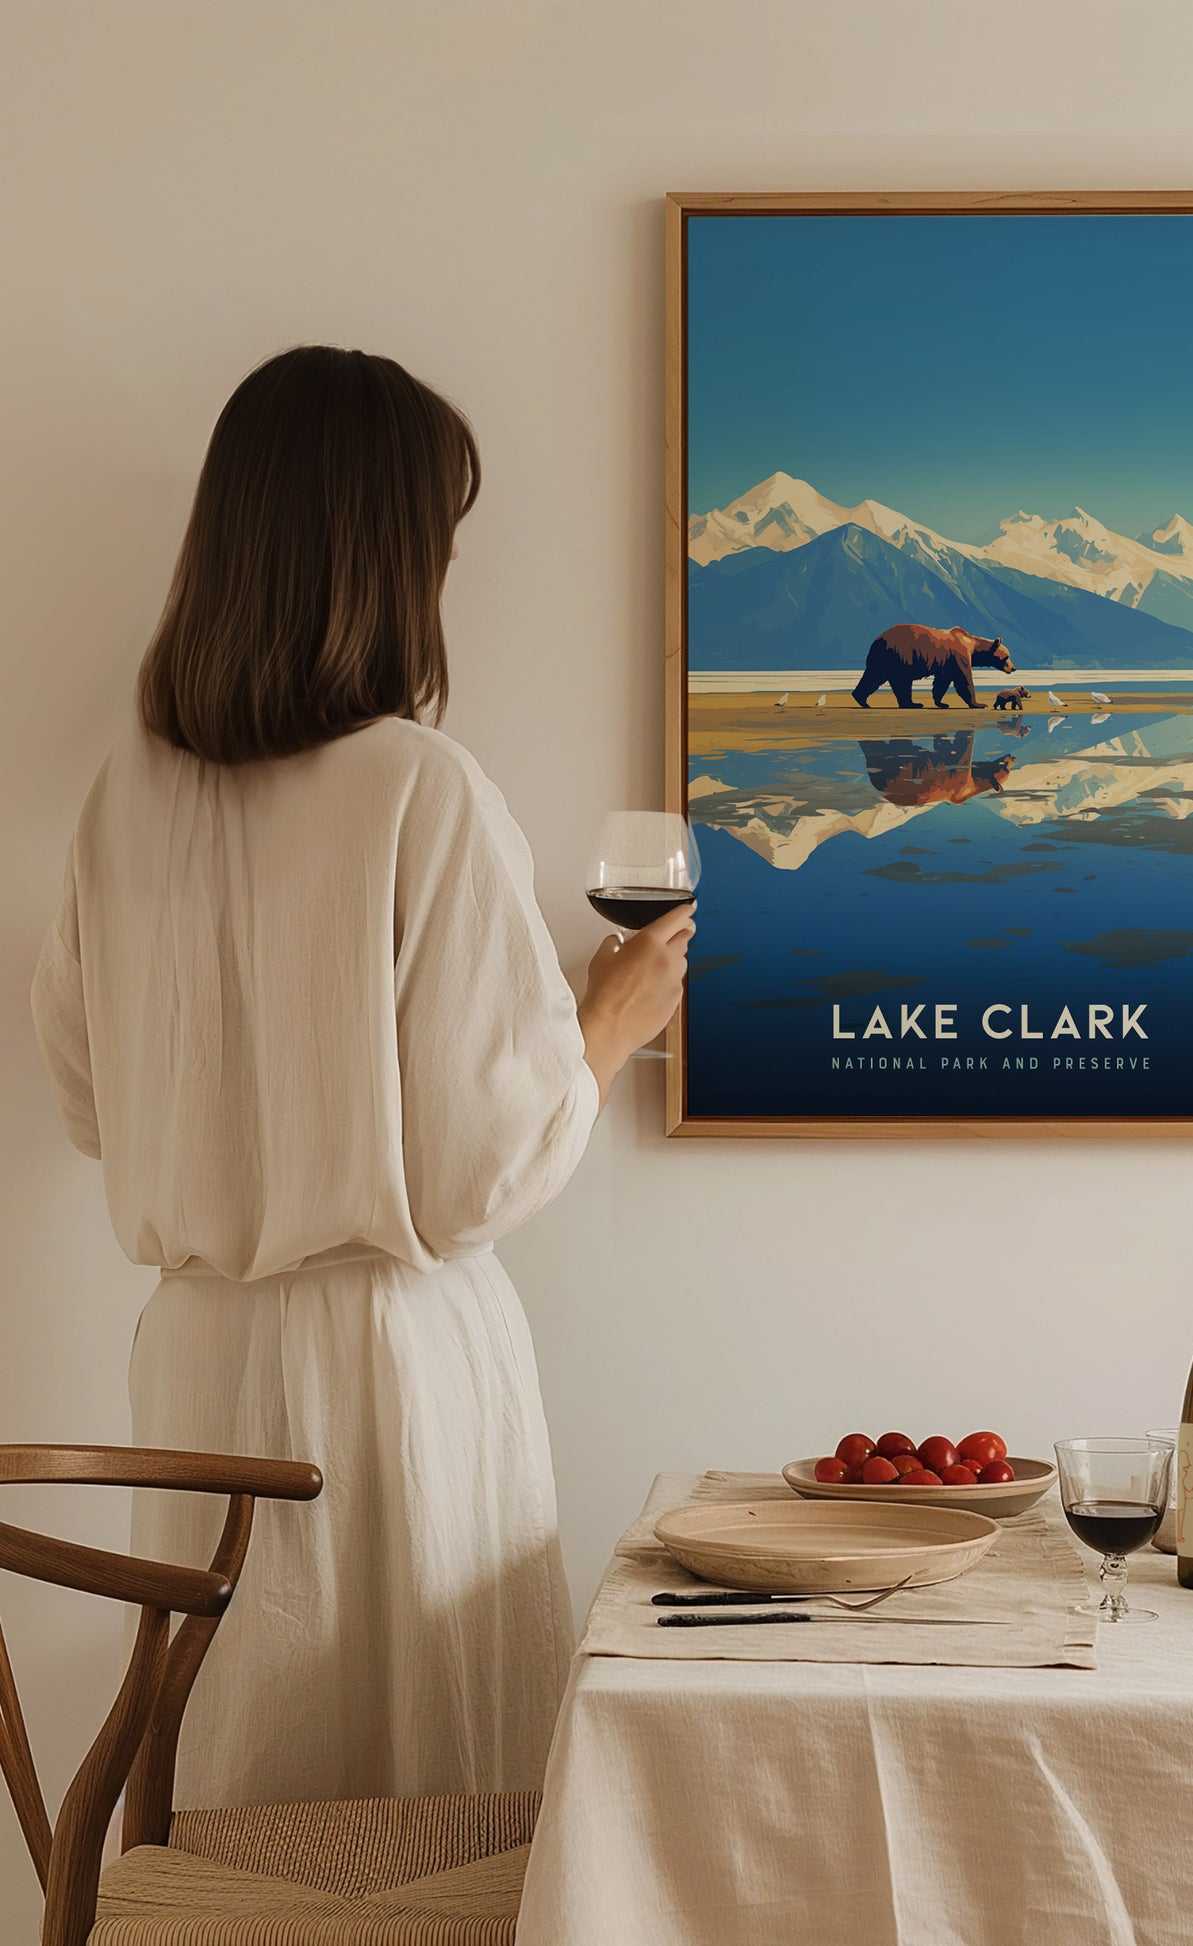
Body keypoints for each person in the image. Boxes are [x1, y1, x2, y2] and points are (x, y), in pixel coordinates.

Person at [29, 345, 689, 1806]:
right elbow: (474, 1173)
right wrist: (606, 1020)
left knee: (240, 1790)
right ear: (387, 557)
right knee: (422, 1811)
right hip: (390, 1374)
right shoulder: (417, 786)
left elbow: (87, 1101)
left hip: (198, 1362)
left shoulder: (123, 798)